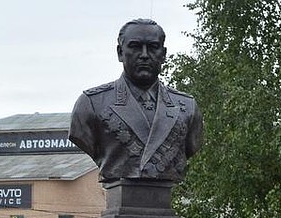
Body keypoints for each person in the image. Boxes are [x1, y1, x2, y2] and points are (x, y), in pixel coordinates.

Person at [68, 18, 203, 187]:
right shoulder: (92, 104)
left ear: (163, 54)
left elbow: (191, 146)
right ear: (120, 52)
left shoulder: (187, 107)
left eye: (153, 47)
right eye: (135, 46)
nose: (145, 55)